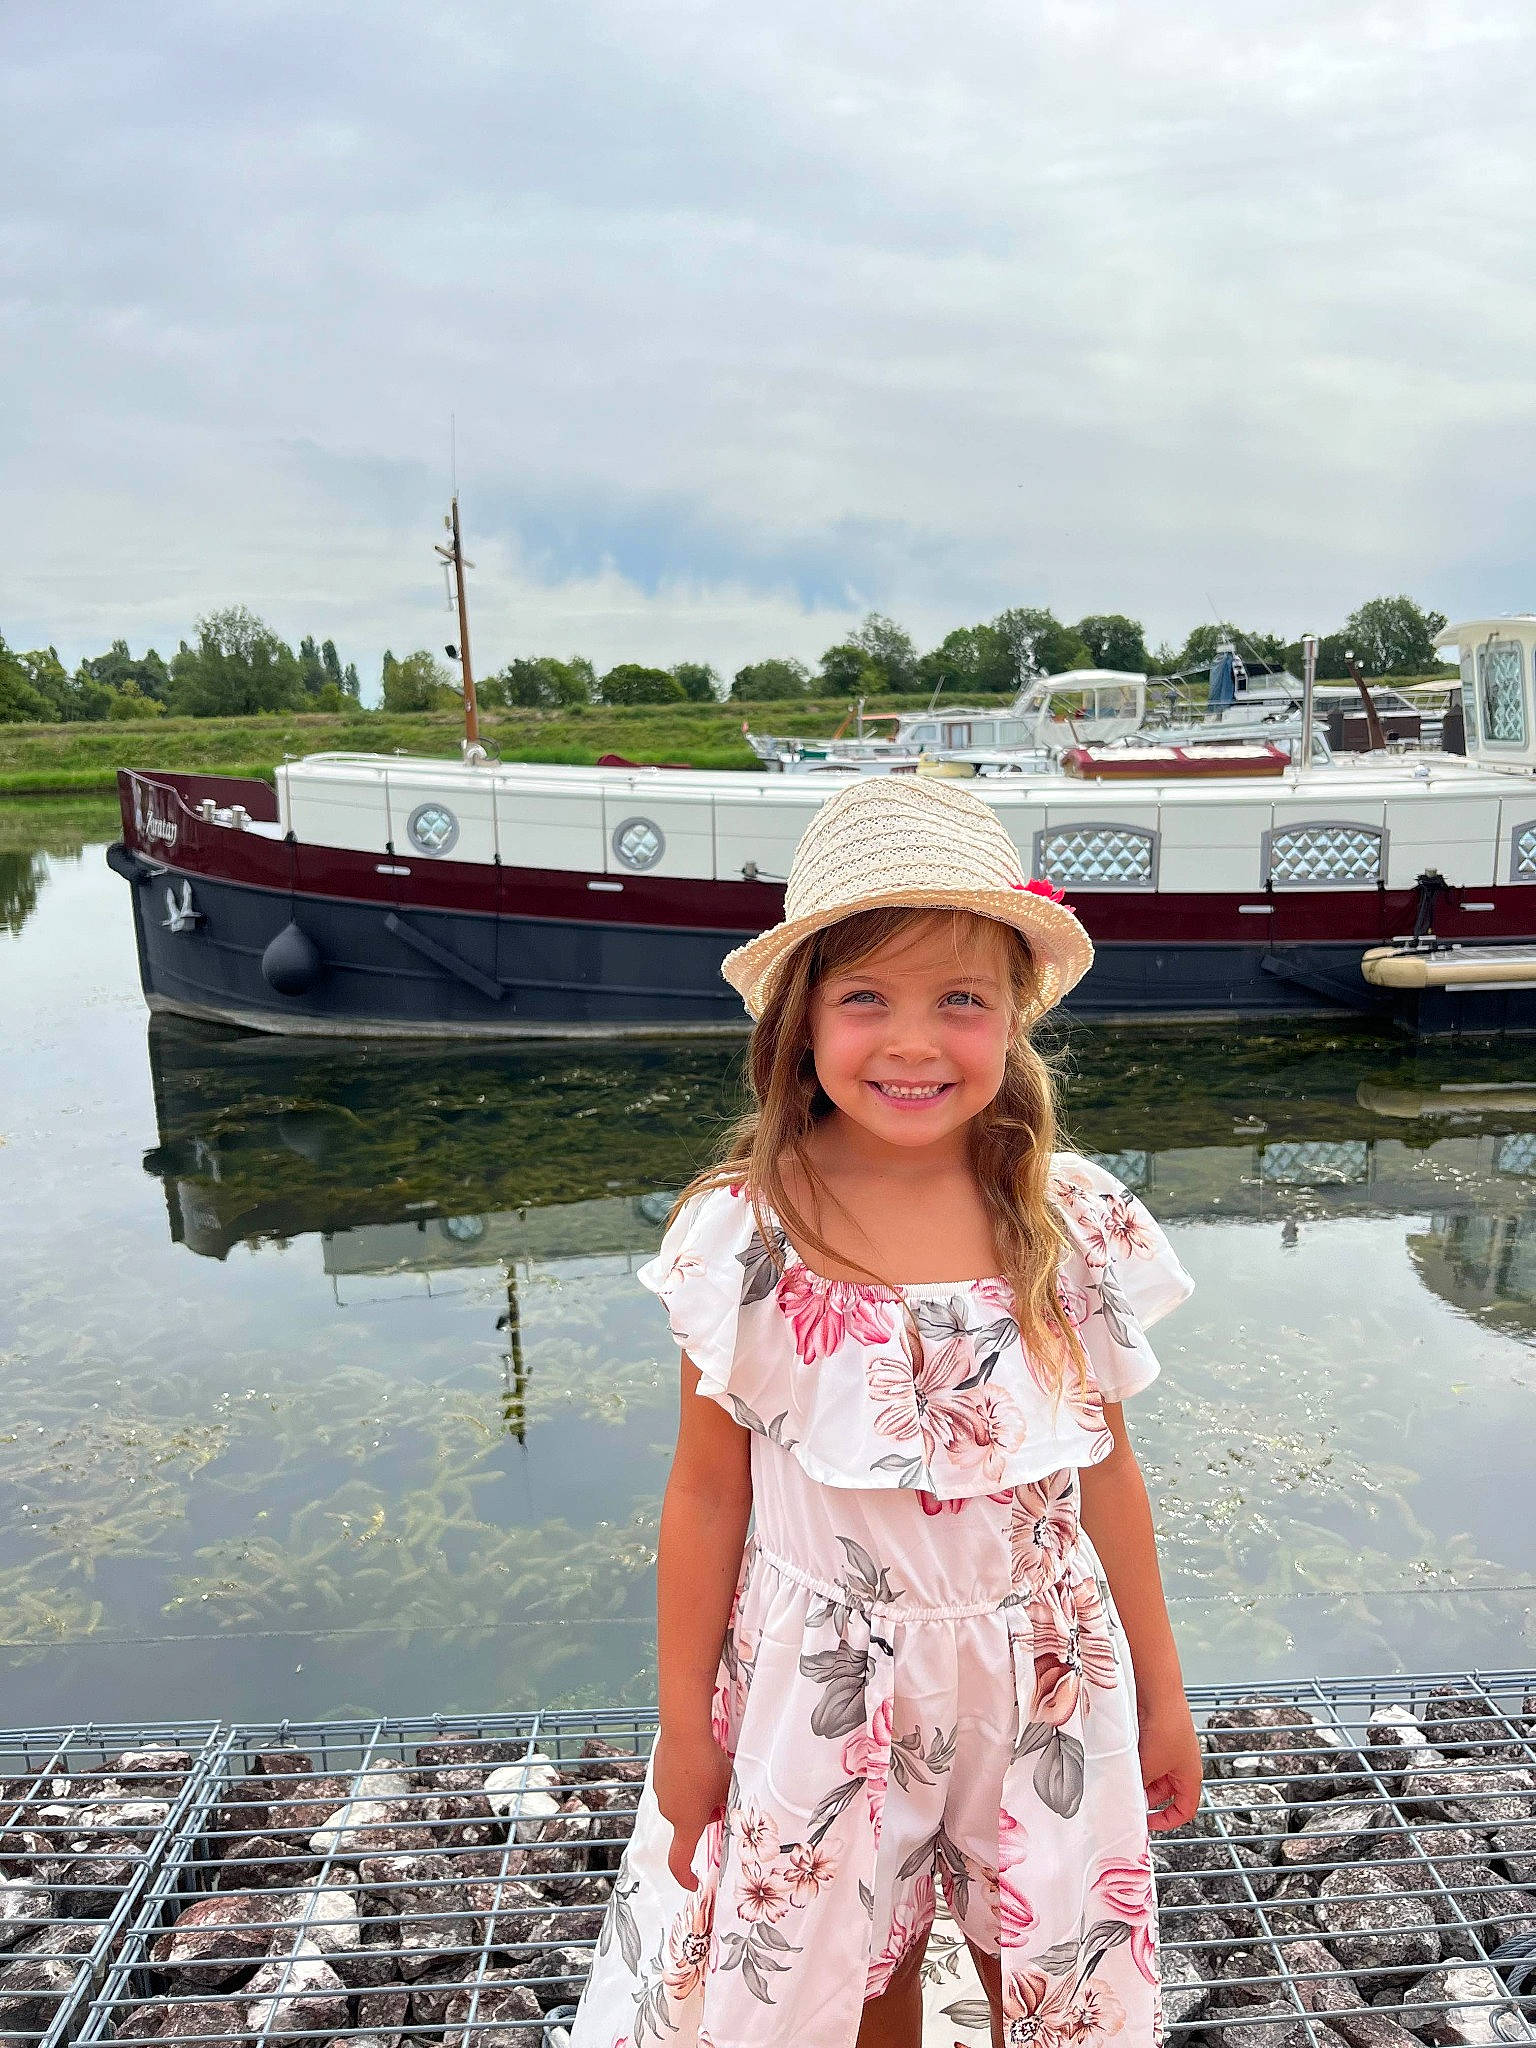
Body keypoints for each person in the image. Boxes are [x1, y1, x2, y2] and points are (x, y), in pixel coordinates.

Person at [570, 775, 1203, 2048]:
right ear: (801, 1022)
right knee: (851, 1964)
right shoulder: (750, 1231)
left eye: (960, 999)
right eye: (866, 996)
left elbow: (1112, 1476)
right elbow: (704, 1492)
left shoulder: (1065, 1220)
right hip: (824, 1677)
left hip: (1045, 1670)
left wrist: (1166, 1688)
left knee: (1050, 1955)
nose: (914, 1041)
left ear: (1012, 1017)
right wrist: (679, 1721)